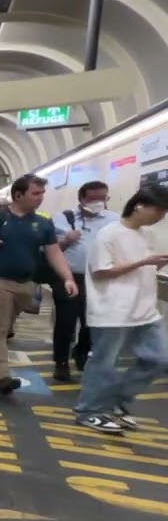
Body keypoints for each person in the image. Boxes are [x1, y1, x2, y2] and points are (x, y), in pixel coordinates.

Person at [0, 175, 77, 394]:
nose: (40, 198)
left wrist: (67, 277)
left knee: (2, 328)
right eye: (35, 193)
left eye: (42, 193)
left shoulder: (42, 221)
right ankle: (2, 377)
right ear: (18, 195)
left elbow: (54, 252)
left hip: (25, 284)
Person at [73, 184, 168, 433]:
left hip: (146, 310)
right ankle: (89, 411)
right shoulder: (108, 234)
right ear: (140, 206)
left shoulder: (147, 235)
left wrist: (153, 264)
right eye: (159, 210)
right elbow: (101, 271)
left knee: (159, 359)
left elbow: (143, 269)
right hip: (112, 310)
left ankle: (116, 401)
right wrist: (143, 261)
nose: (162, 216)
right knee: (104, 363)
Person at [50, 181, 119, 381]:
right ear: (81, 199)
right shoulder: (62, 219)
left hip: (99, 279)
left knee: (92, 321)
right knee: (66, 321)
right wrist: (66, 241)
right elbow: (48, 250)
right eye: (93, 199)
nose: (98, 202)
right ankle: (61, 362)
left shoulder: (114, 221)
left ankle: (82, 351)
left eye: (103, 198)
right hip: (69, 277)